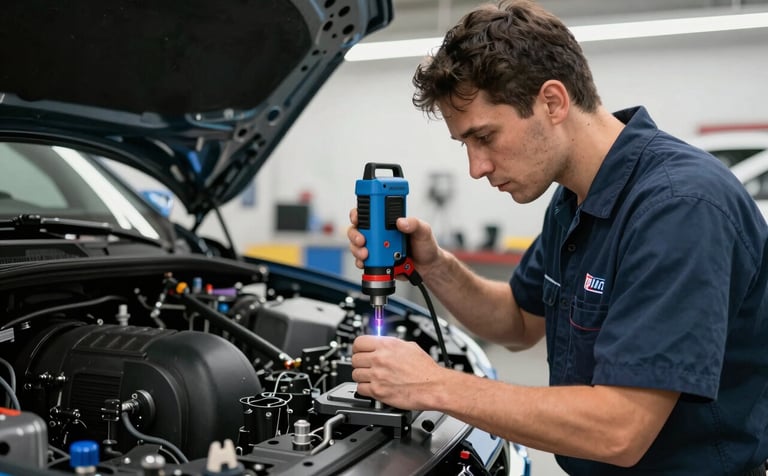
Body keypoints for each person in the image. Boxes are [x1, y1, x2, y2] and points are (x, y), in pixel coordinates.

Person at [346, 1, 768, 474]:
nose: (476, 167)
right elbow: (517, 321)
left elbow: (619, 429)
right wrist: (434, 264)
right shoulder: (573, 200)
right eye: (464, 144)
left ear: (552, 102)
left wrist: (432, 385)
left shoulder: (679, 207)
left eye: (484, 137)